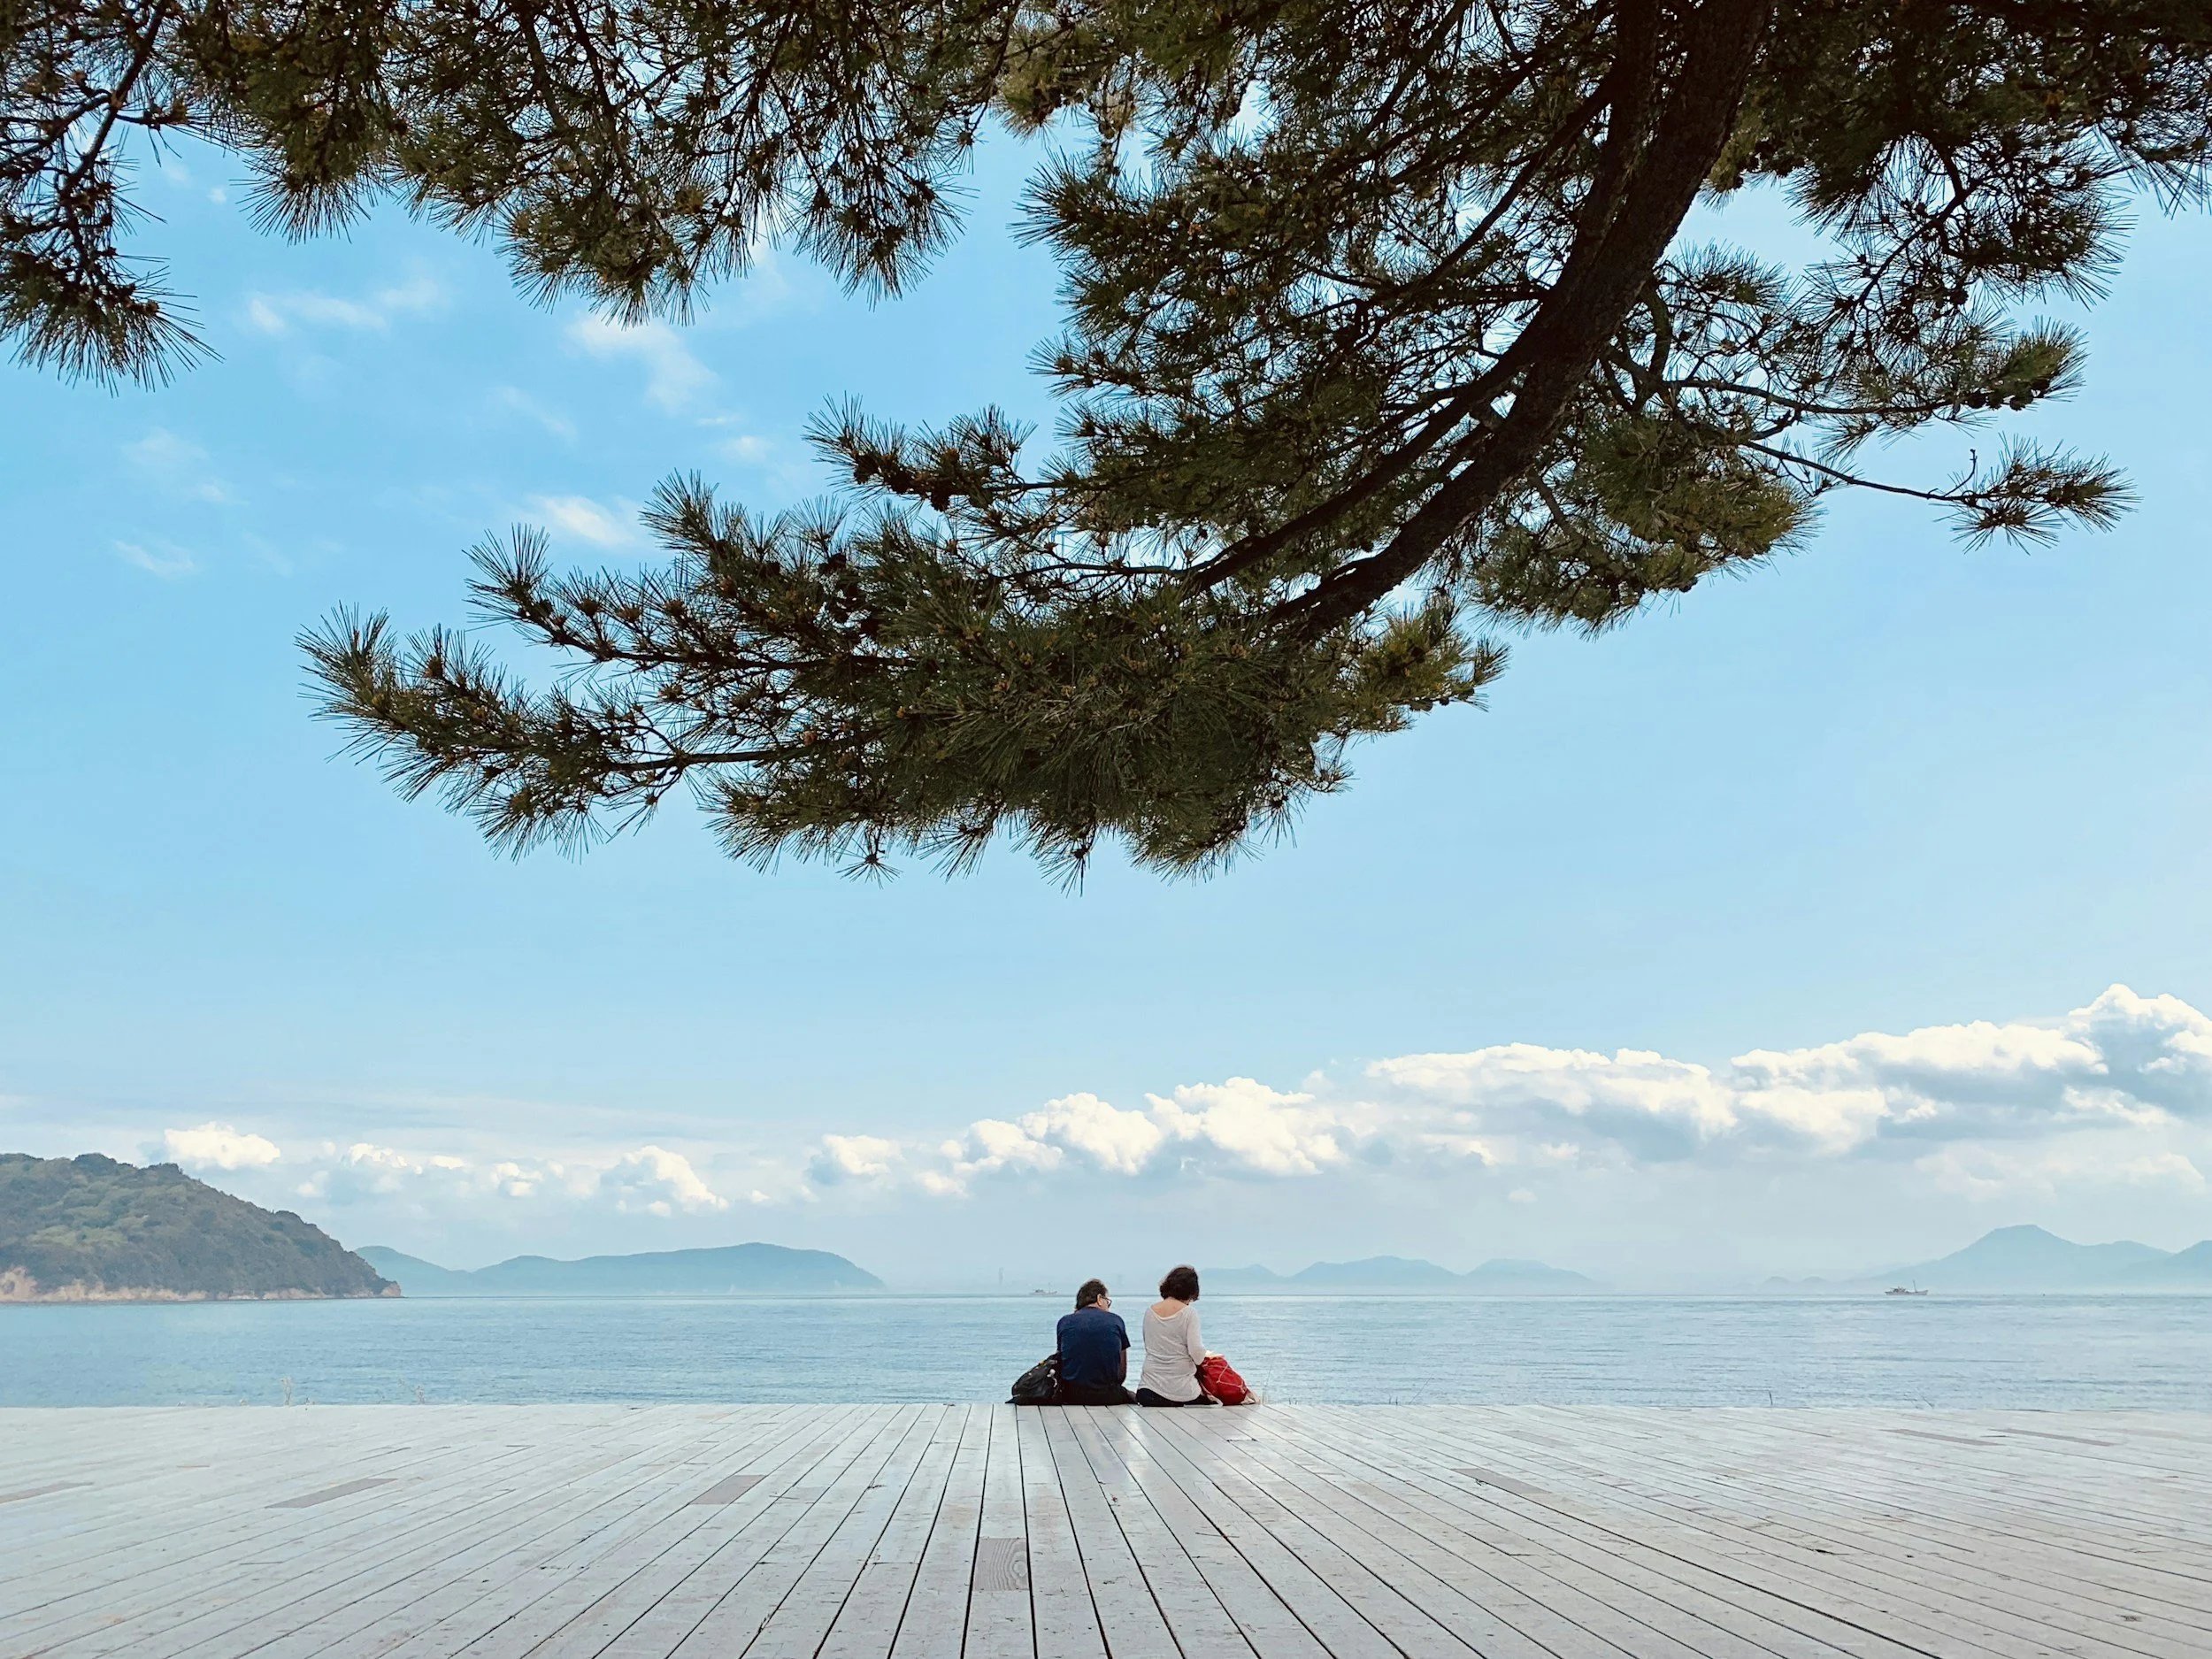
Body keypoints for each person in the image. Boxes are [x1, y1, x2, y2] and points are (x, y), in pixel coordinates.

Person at [1136, 1264, 1210, 1407]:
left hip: (1148, 1390)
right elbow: (1196, 1353)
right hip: (1182, 1392)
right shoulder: (1189, 1313)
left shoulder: (1150, 1312)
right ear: (1191, 1291)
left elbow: (1149, 1346)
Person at [1056, 1279, 1133, 1405]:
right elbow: (1121, 1371)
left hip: (1070, 1395)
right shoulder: (1116, 1321)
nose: (1108, 1307)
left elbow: (1061, 1359)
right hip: (1107, 1395)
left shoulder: (1065, 1322)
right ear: (1099, 1298)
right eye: (1107, 1302)